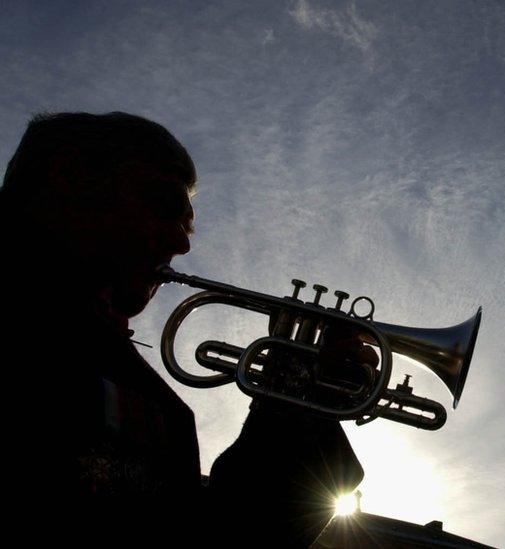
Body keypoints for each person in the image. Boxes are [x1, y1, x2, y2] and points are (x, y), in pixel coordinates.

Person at [0, 112, 370, 547]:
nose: (182, 244)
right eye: (164, 206)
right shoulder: (45, 333)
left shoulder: (105, 352)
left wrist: (297, 413)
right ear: (72, 176)